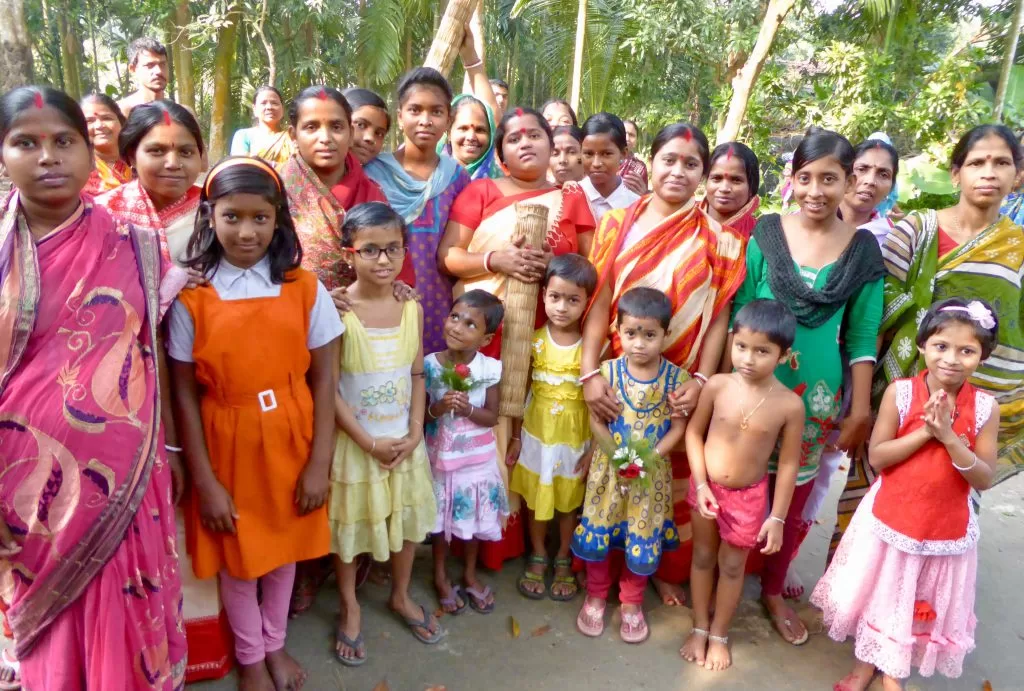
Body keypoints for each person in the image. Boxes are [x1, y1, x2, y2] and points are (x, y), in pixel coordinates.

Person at [0, 85, 186, 690]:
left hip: (127, 479)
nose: (48, 156)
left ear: (90, 150)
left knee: (122, 622)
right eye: (26, 143)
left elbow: (146, 353)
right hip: (26, 493)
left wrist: (171, 449)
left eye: (64, 141)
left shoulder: (132, 242)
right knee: (51, 633)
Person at [168, 157, 341, 691]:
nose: (246, 231)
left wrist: (319, 464)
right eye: (232, 217)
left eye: (260, 218)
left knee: (283, 551)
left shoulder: (305, 287)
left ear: (279, 220)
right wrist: (204, 480)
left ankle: (274, 646)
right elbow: (183, 394)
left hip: (293, 434)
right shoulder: (192, 297)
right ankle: (249, 657)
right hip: (227, 440)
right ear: (210, 217)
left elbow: (327, 380)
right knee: (239, 558)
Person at [832, 124, 1024, 561]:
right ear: (956, 173)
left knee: (948, 491)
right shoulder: (916, 230)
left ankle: (922, 600)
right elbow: (876, 314)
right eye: (976, 162)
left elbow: (1016, 327)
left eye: (1001, 163)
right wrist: (860, 399)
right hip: (900, 386)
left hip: (978, 394)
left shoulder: (1019, 247)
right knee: (873, 487)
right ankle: (847, 586)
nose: (988, 173)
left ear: (1018, 175)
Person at [727, 127, 885, 646]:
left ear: (848, 181)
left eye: (830, 178)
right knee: (742, 476)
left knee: (794, 491)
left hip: (816, 392)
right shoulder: (767, 235)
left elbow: (862, 335)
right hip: (754, 382)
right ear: (791, 180)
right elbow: (740, 312)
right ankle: (730, 570)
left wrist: (859, 407)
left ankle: (773, 588)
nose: (816, 190)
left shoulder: (862, 253)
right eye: (805, 177)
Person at [582, 122, 746, 607]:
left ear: (702, 174)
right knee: (609, 471)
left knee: (659, 477)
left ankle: (652, 569)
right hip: (618, 378)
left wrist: (700, 380)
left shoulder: (721, 239)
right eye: (669, 159)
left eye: (691, 164)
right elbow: (598, 303)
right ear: (649, 163)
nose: (678, 171)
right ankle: (597, 577)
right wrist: (591, 374)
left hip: (677, 385)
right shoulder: (617, 224)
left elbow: (718, 318)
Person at [812, 298, 1000, 691]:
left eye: (967, 350)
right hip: (892, 522)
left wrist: (949, 437)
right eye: (941, 346)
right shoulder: (900, 393)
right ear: (922, 346)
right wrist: (926, 432)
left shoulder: (985, 407)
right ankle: (868, 665)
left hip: (945, 530)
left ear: (982, 356)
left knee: (919, 601)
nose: (951, 359)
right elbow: (878, 457)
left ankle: (893, 669)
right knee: (883, 594)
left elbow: (982, 478)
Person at [438, 106, 597, 571]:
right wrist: (496, 261)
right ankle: (486, 542)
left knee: (534, 431)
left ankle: (537, 543)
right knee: (488, 423)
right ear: (501, 153)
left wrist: (548, 271)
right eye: (513, 138)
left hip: (548, 340)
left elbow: (589, 272)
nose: (525, 143)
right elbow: (450, 256)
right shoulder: (481, 190)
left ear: (553, 145)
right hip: (485, 332)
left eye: (535, 135)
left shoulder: (571, 200)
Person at [330, 203, 440, 667]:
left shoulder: (409, 305)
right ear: (348, 253)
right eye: (369, 250)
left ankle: (399, 593)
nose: (382, 260)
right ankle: (350, 605)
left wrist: (415, 431)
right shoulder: (337, 310)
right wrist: (367, 442)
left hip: (404, 443)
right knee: (352, 528)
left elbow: (416, 375)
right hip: (357, 447)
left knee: (407, 523)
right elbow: (330, 390)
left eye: (392, 249)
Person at [680, 299, 804, 671]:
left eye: (762, 351)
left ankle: (719, 633)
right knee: (702, 557)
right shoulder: (717, 385)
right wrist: (700, 484)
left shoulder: (789, 405)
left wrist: (778, 518)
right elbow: (693, 433)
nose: (748, 358)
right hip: (705, 490)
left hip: (749, 499)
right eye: (741, 347)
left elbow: (787, 463)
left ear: (784, 355)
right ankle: (700, 626)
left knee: (733, 568)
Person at [572, 287, 686, 643]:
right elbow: (595, 422)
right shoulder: (605, 373)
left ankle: (632, 602)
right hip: (609, 472)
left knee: (641, 535)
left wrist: (644, 462)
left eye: (650, 335)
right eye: (630, 333)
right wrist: (622, 461)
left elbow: (679, 428)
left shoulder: (677, 380)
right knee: (601, 530)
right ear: (617, 331)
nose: (639, 344)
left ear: (666, 334)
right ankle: (595, 594)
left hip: (650, 475)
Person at [508, 254, 597, 601]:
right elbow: (519, 391)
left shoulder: (592, 349)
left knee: (567, 500)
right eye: (555, 297)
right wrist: (515, 436)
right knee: (537, 497)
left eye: (573, 300)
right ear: (543, 295)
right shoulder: (533, 341)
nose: (562, 307)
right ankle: (538, 553)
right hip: (537, 431)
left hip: (575, 435)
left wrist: (593, 448)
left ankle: (563, 554)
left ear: (587, 302)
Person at [365, 67, 471, 355]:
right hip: (380, 297)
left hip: (439, 302)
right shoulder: (372, 173)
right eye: (415, 110)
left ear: (448, 120)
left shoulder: (456, 177)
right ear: (400, 116)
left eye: (436, 112)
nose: (425, 120)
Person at [277, 86, 405, 292]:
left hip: (359, 314)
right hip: (291, 309)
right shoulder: (273, 191)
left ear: (350, 131)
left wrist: (397, 287)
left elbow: (391, 258)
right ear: (293, 135)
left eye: (336, 127)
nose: (325, 138)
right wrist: (315, 300)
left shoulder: (372, 194)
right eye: (311, 127)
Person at [426, 291, 507, 615]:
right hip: (440, 461)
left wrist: (468, 409)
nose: (457, 327)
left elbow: (492, 417)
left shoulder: (489, 369)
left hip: (476, 464)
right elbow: (424, 416)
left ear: (486, 338)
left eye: (470, 323)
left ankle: (470, 573)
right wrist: (441, 406)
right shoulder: (430, 365)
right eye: (455, 316)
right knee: (441, 523)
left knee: (471, 520)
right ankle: (440, 576)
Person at [96, 99, 204, 265]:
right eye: (157, 151)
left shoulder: (214, 211)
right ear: (132, 156)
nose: (173, 163)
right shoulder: (101, 216)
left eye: (186, 152)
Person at [580, 113, 640, 222]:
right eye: (588, 153)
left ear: (623, 153)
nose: (596, 163)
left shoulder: (635, 207)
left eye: (606, 153)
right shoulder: (570, 198)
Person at [838, 137, 899, 243]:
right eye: (861, 169)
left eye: (883, 175)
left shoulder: (892, 242)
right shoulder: (806, 221)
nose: (870, 181)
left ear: (891, 188)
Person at [700, 142, 760, 238]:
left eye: (736, 180)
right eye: (717, 178)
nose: (724, 188)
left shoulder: (760, 237)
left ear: (751, 187)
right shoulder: (683, 220)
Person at [439, 95, 502, 181]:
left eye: (480, 130)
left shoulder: (502, 183)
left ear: (491, 135)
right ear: (449, 133)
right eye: (463, 128)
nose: (471, 137)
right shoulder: (427, 177)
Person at [81, 93, 132, 195]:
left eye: (107, 118)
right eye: (90, 121)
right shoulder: (78, 171)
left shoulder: (138, 161)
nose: (99, 125)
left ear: (121, 122)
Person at [229, 86, 293, 166]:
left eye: (274, 103)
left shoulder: (293, 134)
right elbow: (240, 166)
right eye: (263, 103)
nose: (269, 107)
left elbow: (303, 166)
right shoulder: (243, 135)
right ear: (254, 109)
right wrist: (279, 166)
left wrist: (259, 163)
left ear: (282, 109)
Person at [117, 37, 169, 118]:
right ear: (133, 69)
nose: (159, 71)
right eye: (149, 65)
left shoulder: (180, 113)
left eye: (162, 64)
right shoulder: (121, 112)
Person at [344, 88, 391, 166]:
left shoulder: (379, 176)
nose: (370, 138)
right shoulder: (318, 173)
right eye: (361, 125)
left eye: (379, 134)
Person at [619, 118, 649, 195]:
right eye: (624, 133)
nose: (627, 138)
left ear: (635, 142)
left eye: (631, 135)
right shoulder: (604, 158)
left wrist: (643, 194)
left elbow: (643, 195)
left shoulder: (640, 167)